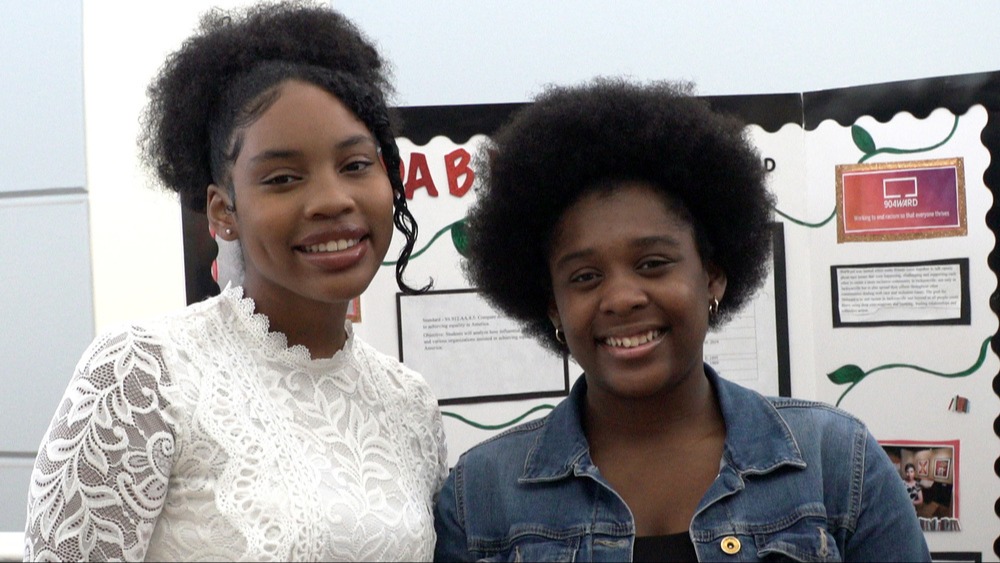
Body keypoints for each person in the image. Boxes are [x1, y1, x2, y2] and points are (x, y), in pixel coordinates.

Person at [433, 79, 930, 562]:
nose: (622, 298)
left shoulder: (837, 461)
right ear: (552, 307)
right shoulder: (479, 496)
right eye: (584, 276)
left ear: (713, 277)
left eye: (653, 263)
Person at [24, 2, 446, 561]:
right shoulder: (144, 375)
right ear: (224, 211)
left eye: (355, 165)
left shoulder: (409, 404)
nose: (332, 201)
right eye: (283, 178)